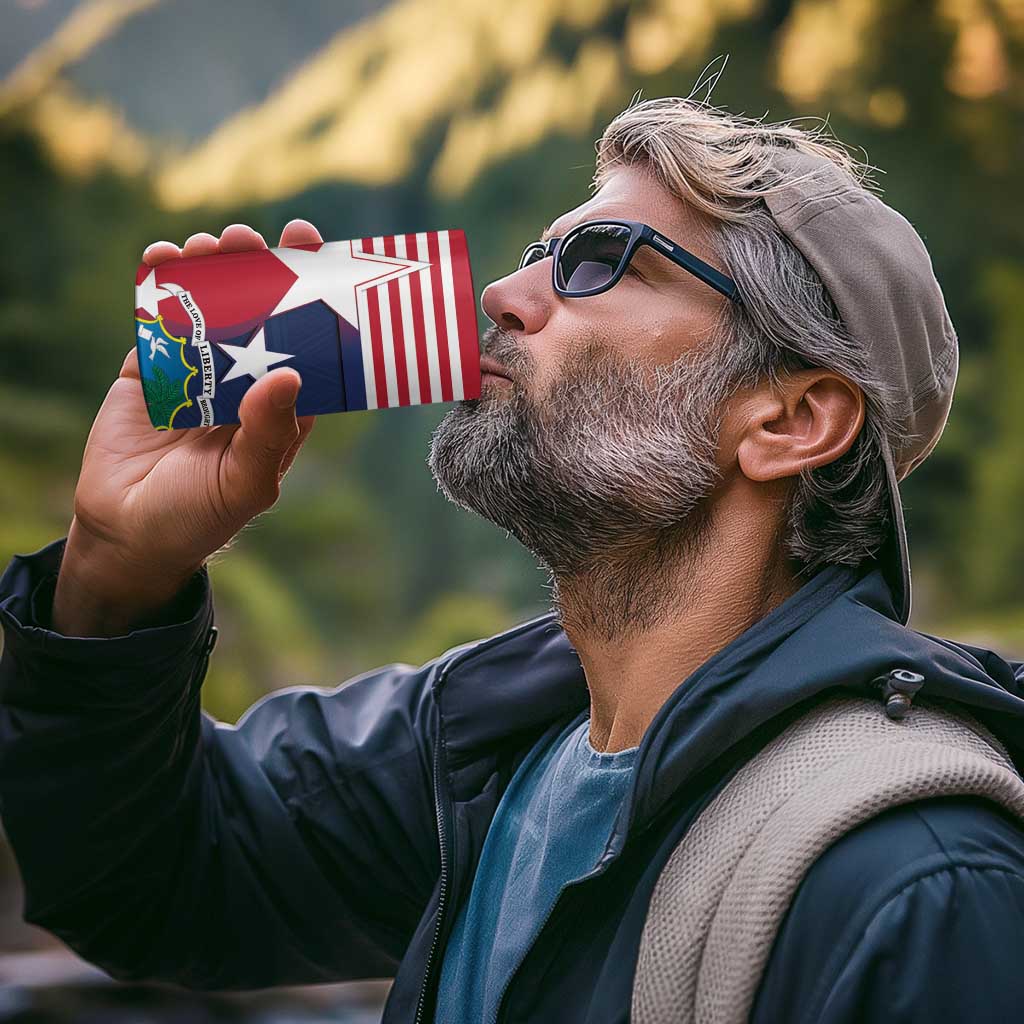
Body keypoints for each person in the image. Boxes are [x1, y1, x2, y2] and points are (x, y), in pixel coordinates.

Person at [2, 95, 1024, 1024]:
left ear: (790, 421)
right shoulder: (482, 746)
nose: (501, 293)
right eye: (541, 252)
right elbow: (150, 879)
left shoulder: (918, 886)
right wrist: (116, 573)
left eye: (601, 261)